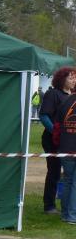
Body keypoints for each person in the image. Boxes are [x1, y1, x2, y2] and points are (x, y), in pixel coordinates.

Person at [39, 67, 76, 214]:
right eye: (71, 78)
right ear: (62, 79)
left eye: (75, 78)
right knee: (54, 171)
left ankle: (68, 205)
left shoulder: (73, 95)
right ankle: (49, 205)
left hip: (70, 142)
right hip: (53, 140)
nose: (74, 80)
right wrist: (57, 133)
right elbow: (44, 116)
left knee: (69, 174)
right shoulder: (53, 94)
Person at [53, 90, 76, 223]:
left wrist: (59, 143)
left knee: (68, 180)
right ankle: (72, 216)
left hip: (65, 147)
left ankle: (65, 214)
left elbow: (57, 126)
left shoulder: (65, 100)